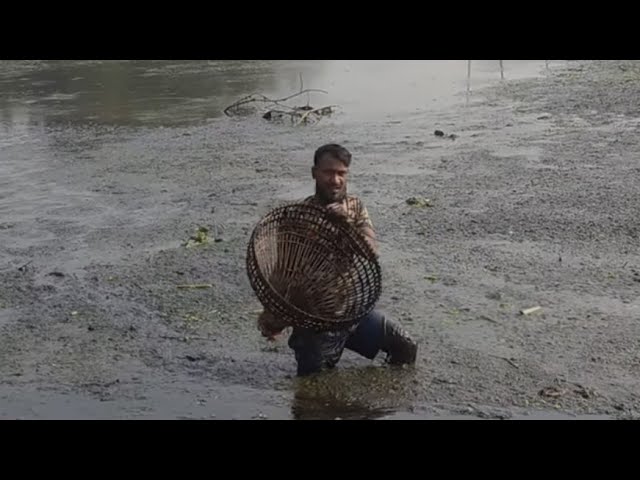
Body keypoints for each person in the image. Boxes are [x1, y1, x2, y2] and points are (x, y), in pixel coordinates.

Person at [257, 144, 418, 376]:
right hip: (314, 323)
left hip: (352, 312)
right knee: (313, 386)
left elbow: (372, 251)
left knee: (405, 347)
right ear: (314, 173)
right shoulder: (296, 217)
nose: (335, 180)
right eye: (328, 172)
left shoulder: (355, 207)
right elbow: (281, 273)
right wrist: (271, 316)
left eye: (341, 173)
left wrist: (347, 225)